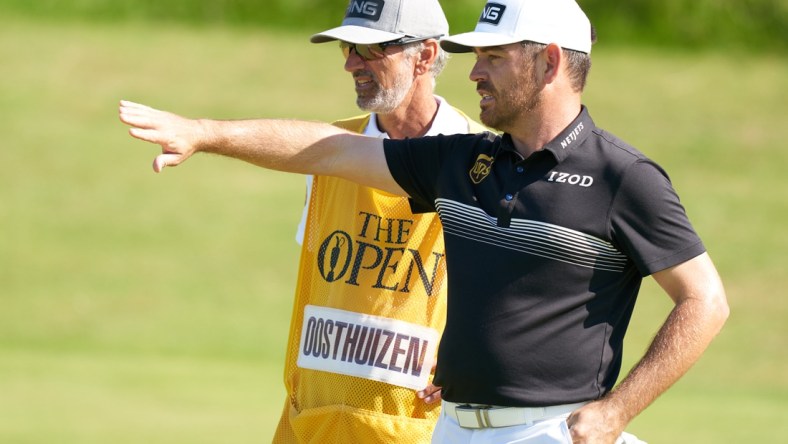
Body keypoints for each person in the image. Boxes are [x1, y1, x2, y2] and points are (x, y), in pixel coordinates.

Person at [119, 0, 729, 442]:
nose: (473, 73)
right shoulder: (466, 160)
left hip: (548, 432)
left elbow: (705, 301)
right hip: (453, 430)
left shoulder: (623, 176)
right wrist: (204, 133)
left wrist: (617, 412)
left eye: (492, 56)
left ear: (546, 62)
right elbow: (329, 148)